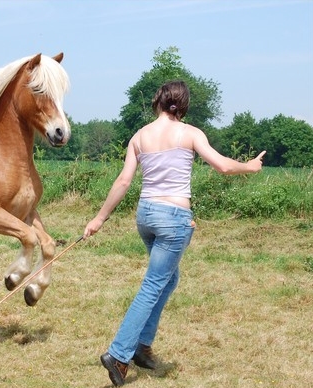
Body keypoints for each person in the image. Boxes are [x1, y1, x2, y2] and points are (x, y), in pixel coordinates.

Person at [83, 81, 266, 386]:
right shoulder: (190, 133)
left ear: (158, 102)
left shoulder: (139, 137)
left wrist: (99, 218)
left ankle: (142, 346)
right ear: (182, 105)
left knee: (169, 278)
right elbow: (222, 166)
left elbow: (124, 182)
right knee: (153, 285)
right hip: (174, 218)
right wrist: (249, 166)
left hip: (146, 216)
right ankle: (119, 354)